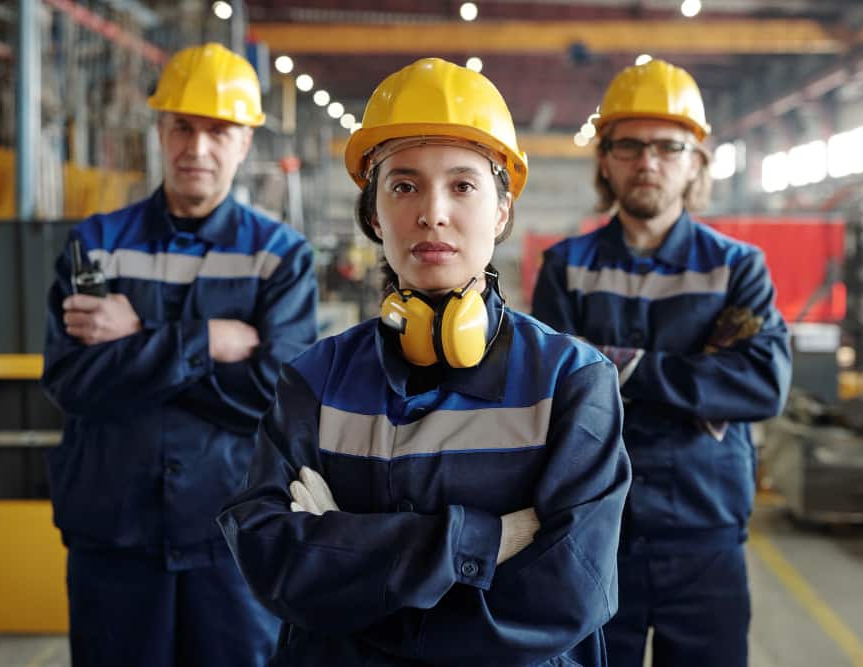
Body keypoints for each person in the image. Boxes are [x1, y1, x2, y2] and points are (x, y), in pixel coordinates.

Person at [218, 57, 631, 666]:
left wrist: (350, 555)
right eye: (404, 185)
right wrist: (483, 542)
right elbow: (270, 556)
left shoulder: (570, 381)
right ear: (373, 214)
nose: (431, 212)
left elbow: (567, 594)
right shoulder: (315, 379)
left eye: (462, 185)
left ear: (501, 210)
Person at [41, 43, 318, 666]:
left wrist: (138, 339)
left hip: (233, 539)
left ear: (245, 141)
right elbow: (72, 381)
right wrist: (208, 341)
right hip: (114, 536)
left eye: (218, 131)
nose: (198, 148)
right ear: (160, 131)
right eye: (183, 128)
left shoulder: (280, 255)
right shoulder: (96, 246)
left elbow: (278, 393)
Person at [532, 59, 792, 667]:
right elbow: (550, 397)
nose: (647, 162)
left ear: (696, 161)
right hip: (594, 530)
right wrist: (698, 385)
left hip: (705, 529)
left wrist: (619, 368)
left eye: (667, 146)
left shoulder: (737, 268)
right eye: (629, 145)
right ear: (605, 158)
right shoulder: (566, 268)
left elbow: (761, 384)